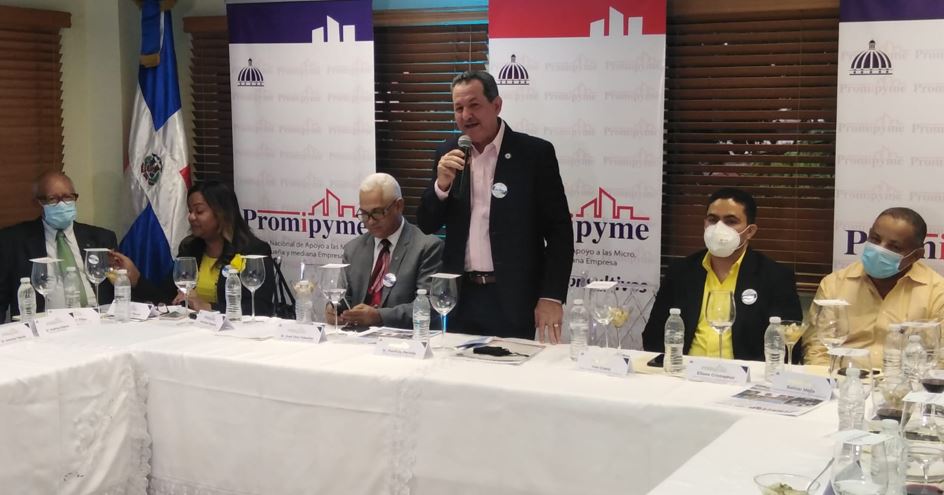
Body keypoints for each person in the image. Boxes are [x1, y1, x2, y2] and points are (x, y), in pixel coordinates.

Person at [416, 70, 574, 343]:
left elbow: (560, 232)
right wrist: (441, 186)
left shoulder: (534, 154)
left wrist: (551, 296)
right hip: (459, 297)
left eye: (474, 105)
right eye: (458, 108)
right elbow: (427, 224)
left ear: (497, 105)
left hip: (513, 299)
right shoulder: (448, 153)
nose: (466, 115)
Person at [642, 188, 803, 361]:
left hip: (744, 373)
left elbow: (789, 346)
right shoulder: (681, 271)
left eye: (730, 221)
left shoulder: (775, 277)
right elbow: (653, 336)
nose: (719, 228)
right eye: (712, 220)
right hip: (685, 369)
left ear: (750, 231)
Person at [803, 207, 944, 366]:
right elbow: (818, 350)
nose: (880, 249)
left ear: (916, 255)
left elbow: (940, 360)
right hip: (843, 378)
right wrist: (828, 379)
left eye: (894, 247)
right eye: (875, 239)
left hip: (906, 380)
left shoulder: (937, 293)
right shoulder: (834, 284)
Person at [110, 181, 275, 315]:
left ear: (222, 213)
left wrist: (208, 307)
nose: (191, 217)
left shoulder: (253, 251)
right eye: (190, 211)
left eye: (199, 211)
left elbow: (260, 308)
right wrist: (136, 278)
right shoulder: (190, 249)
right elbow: (166, 299)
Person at [326, 173, 443, 329]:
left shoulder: (427, 247)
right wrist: (335, 308)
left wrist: (379, 316)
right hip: (357, 336)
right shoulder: (353, 249)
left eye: (377, 212)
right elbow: (345, 297)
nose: (370, 221)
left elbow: (429, 305)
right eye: (364, 214)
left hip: (406, 338)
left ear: (399, 206)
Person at [0, 171, 117, 318]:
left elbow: (121, 289)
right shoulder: (13, 240)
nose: (62, 204)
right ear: (38, 203)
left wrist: (134, 278)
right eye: (53, 199)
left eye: (68, 197)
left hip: (97, 320)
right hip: (45, 324)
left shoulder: (102, 238)